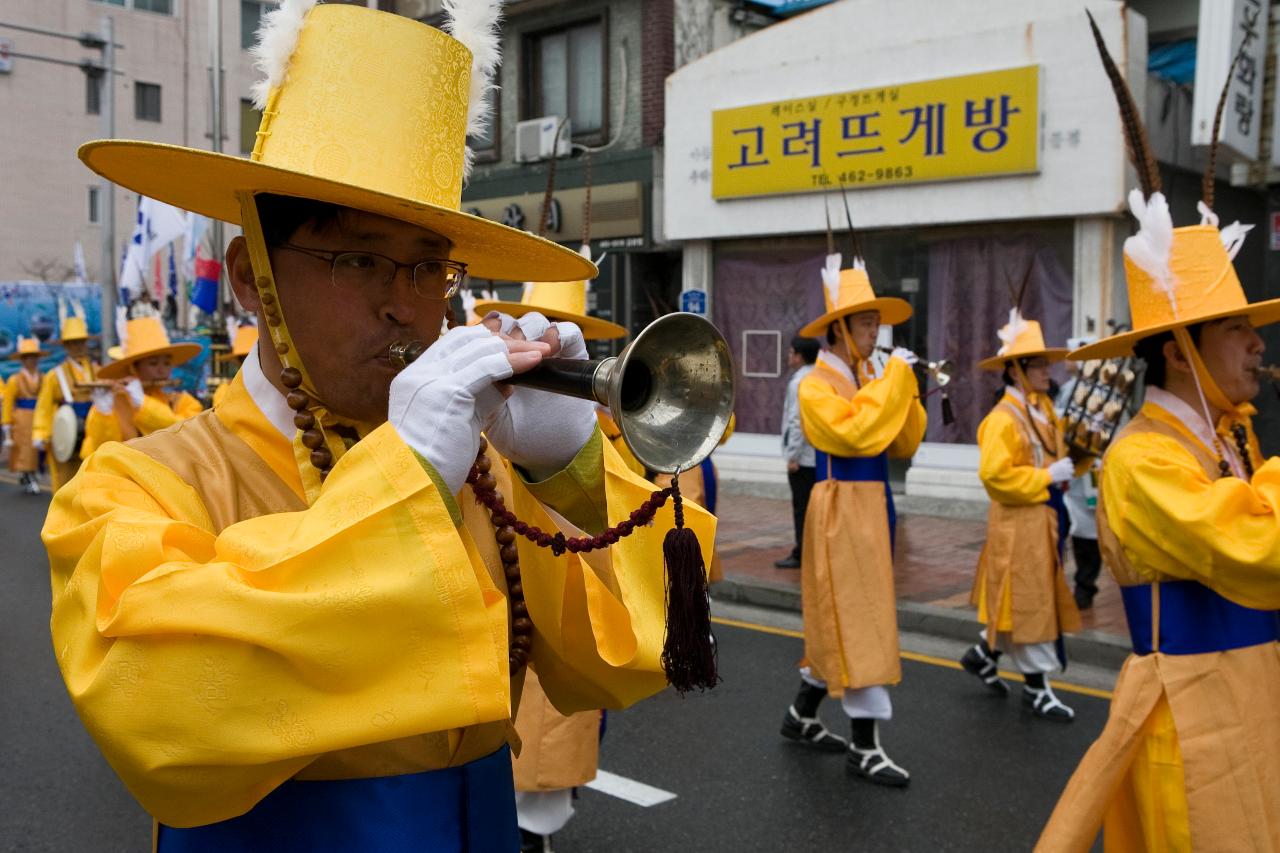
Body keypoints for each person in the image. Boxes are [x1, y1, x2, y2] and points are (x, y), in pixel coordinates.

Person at [47, 2, 714, 850]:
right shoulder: (134, 482)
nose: (407, 303)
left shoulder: (482, 469)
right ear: (253, 279)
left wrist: (568, 466)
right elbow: (160, 713)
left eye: (430, 265)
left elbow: (620, 662)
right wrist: (406, 475)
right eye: (357, 258)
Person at [1037, 18, 1280, 850]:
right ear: (1179, 353)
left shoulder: (1226, 438)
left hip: (1253, 693)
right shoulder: (1141, 458)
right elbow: (1257, 542)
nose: (1257, 343)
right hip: (1192, 714)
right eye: (1237, 329)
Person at [473, 259, 627, 853]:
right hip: (524, 595)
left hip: (578, 576)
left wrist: (588, 438)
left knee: (571, 716)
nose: (550, 345)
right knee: (532, 740)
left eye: (562, 331)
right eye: (540, 330)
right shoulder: (482, 408)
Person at [779, 250, 925, 786]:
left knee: (843, 611)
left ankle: (801, 714)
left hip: (871, 502)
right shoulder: (814, 385)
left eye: (876, 323)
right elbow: (855, 433)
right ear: (838, 328)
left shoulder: (869, 376)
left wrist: (899, 383)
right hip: (842, 504)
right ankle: (865, 746)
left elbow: (904, 440)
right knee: (858, 613)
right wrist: (892, 383)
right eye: (866, 323)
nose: (875, 332)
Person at [960, 311, 1083, 721]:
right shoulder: (1002, 419)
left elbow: (1059, 456)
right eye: (1038, 364)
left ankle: (984, 653)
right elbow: (995, 476)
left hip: (1043, 517)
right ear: (1015, 371)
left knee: (1026, 598)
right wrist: (1048, 475)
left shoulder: (1043, 409)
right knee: (1031, 601)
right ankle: (1037, 686)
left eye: (1047, 363)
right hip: (1021, 522)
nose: (1048, 370)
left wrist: (1078, 460)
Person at [80, 315, 203, 456]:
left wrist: (143, 404)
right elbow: (100, 453)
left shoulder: (183, 402)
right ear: (134, 368)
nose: (162, 370)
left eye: (167, 363)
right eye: (153, 363)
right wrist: (103, 412)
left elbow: (186, 435)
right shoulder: (117, 403)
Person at [1054, 342, 1103, 611]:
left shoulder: (1100, 391)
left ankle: (1085, 587)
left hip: (1090, 471)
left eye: (1071, 356)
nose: (1066, 361)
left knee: (1088, 530)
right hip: (1068, 472)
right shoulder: (1067, 388)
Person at [32, 313, 100, 492]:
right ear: (66, 346)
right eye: (72, 343)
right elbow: (44, 407)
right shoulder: (55, 375)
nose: (78, 346)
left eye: (81, 342)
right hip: (67, 430)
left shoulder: (97, 371)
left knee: (94, 479)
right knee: (66, 482)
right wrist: (40, 432)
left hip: (94, 430)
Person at [775, 335, 820, 569]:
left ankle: (802, 553)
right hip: (819, 456)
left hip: (802, 458)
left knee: (802, 508)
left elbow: (796, 421)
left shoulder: (799, 382)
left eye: (791, 352)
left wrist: (792, 455)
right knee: (816, 509)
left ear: (800, 356)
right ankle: (813, 551)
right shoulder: (821, 377)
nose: (788, 356)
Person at [3, 337, 48, 495]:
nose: (32, 361)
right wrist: (7, 426)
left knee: (40, 449)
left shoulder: (44, 378)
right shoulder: (15, 380)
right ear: (22, 360)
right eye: (28, 357)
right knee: (25, 450)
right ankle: (29, 476)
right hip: (22, 418)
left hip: (40, 415)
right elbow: (8, 403)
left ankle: (33, 474)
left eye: (34, 357)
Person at [211, 323, 259, 408]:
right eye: (244, 358)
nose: (249, 363)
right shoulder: (226, 389)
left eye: (254, 357)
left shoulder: (274, 388)